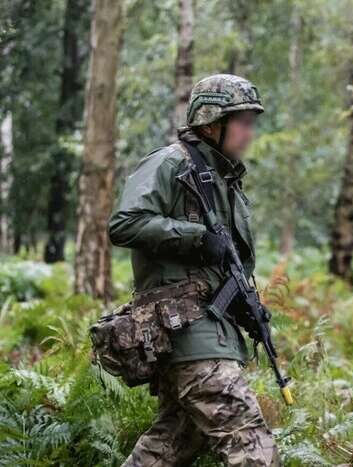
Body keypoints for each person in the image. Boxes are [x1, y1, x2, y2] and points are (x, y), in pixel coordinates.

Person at [109, 74, 279, 466]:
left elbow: (224, 264)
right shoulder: (170, 162)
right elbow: (125, 223)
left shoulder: (224, 178)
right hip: (184, 329)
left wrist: (244, 308)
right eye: (242, 122)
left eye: (252, 123)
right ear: (211, 120)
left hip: (208, 330)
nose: (249, 133)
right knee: (249, 443)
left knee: (172, 444)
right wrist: (196, 237)